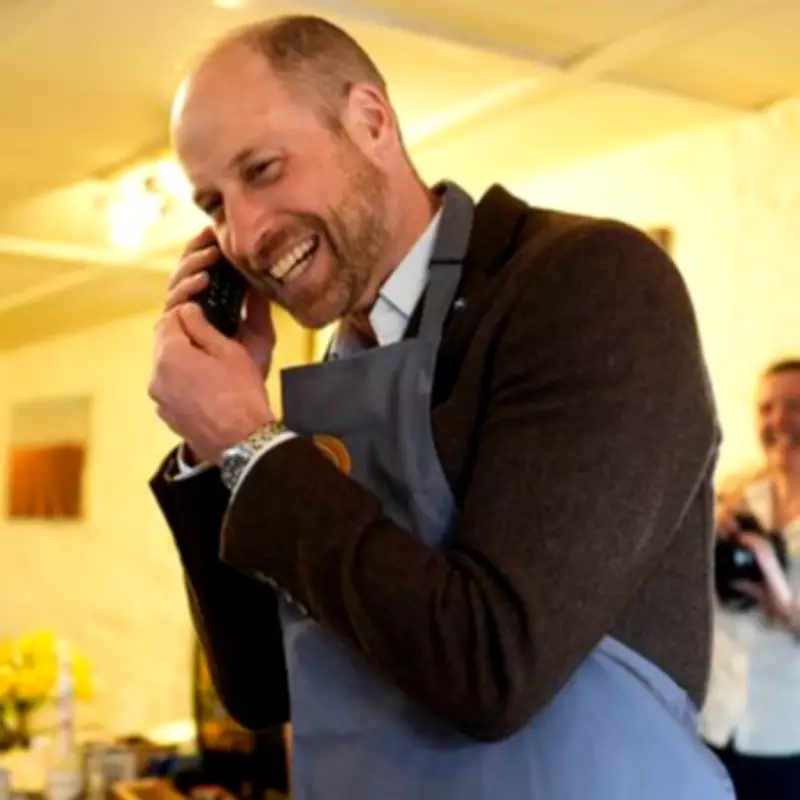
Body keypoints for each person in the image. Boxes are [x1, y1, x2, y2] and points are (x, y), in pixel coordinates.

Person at [147, 14, 732, 800]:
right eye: (214, 203)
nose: (244, 235)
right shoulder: (326, 380)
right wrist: (213, 451)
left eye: (263, 169)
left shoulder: (586, 283)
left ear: (372, 121)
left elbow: (493, 667)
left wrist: (249, 446)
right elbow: (262, 688)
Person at [702, 359, 800, 800]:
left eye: (795, 406)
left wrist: (786, 608)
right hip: (711, 724)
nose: (778, 421)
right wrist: (703, 531)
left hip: (783, 738)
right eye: (767, 408)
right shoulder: (733, 494)